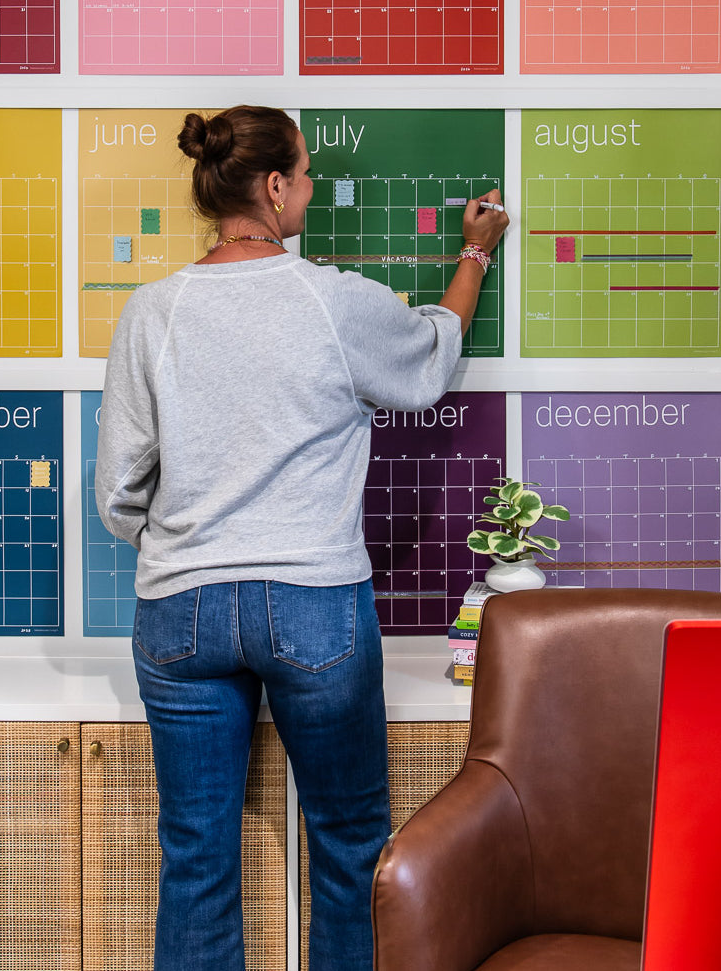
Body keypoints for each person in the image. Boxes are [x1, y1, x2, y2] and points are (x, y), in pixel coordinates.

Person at [95, 105, 508, 971]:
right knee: (351, 840)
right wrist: (475, 252)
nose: (313, 191)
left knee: (195, 856)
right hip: (315, 604)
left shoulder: (150, 312)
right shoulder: (333, 300)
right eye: (307, 176)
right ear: (275, 187)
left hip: (180, 611)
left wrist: (179, 544)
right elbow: (431, 360)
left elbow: (118, 491)